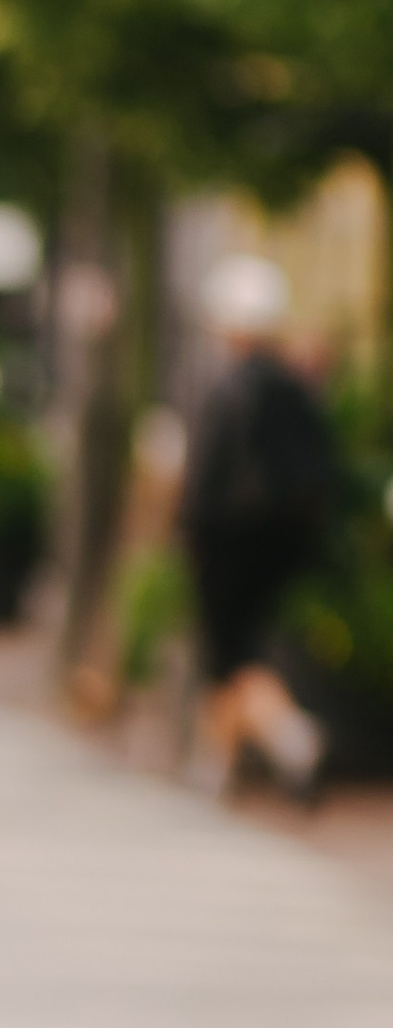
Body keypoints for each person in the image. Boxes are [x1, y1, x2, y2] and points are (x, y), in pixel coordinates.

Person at [179, 258, 340, 800]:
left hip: (227, 544)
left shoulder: (229, 391)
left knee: (232, 657)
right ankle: (215, 764)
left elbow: (204, 480)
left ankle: (290, 737)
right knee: (237, 654)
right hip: (285, 548)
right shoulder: (296, 389)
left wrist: (189, 534)